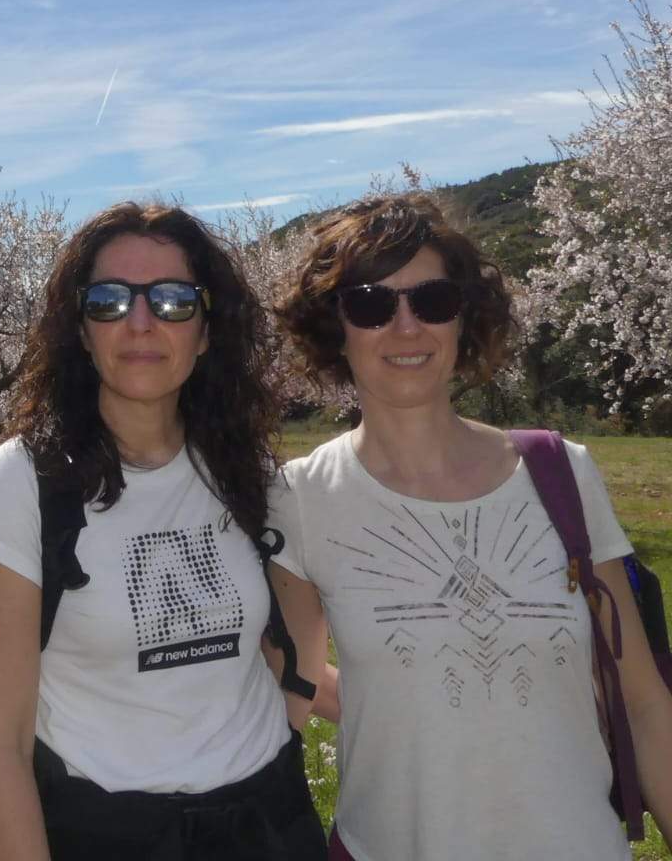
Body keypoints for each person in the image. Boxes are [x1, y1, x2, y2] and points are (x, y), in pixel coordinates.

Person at [269, 193, 672, 860]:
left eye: (432, 301)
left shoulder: (562, 472)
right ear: (335, 328)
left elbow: (648, 706)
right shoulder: (300, 499)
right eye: (371, 304)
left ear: (464, 317)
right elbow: (293, 689)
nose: (406, 328)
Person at [0, 203, 327, 861]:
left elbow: (292, 643)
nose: (140, 322)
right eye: (108, 300)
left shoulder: (254, 475)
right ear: (80, 327)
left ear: (207, 331)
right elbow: (0, 748)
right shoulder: (26, 482)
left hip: (267, 828)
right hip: (108, 835)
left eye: (173, 301)